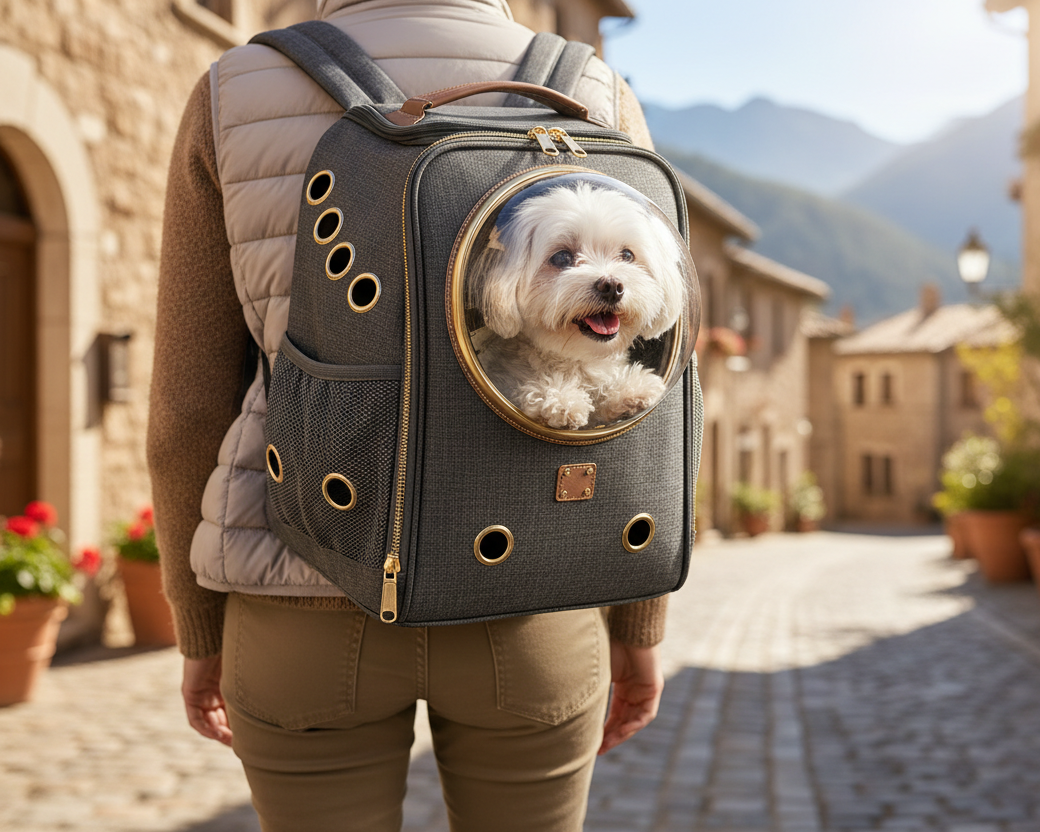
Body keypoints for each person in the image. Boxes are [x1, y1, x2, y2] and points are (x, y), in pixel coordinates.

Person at [147, 2, 667, 829]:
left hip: (296, 591)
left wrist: (199, 622)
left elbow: (187, 407)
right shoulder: (594, 89)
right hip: (533, 595)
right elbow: (654, 385)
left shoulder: (232, 89)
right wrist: (641, 617)